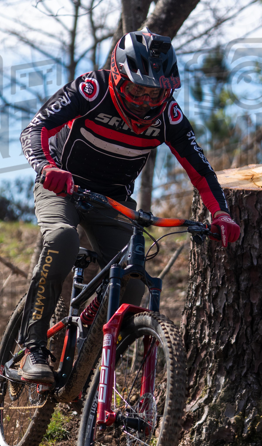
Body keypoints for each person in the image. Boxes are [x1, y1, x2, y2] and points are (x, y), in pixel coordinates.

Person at [19, 29, 241, 384]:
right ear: (117, 76)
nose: (144, 101)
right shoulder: (91, 89)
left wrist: (222, 213)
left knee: (132, 282)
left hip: (113, 201)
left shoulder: (169, 116)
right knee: (62, 238)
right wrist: (47, 167)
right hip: (63, 186)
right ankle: (33, 347)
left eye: (155, 93)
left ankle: (85, 371)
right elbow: (35, 128)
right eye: (136, 90)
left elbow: (201, 171)